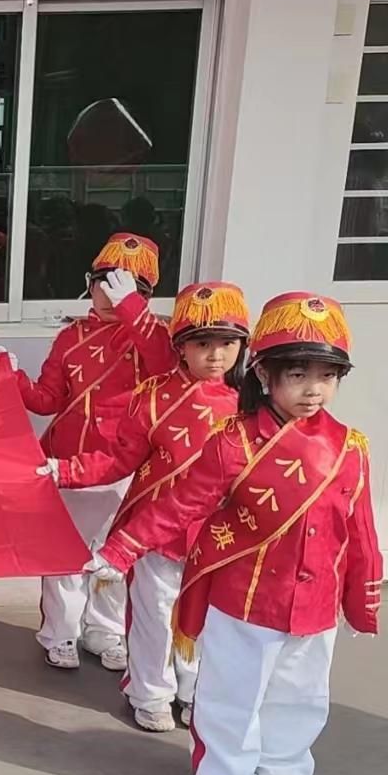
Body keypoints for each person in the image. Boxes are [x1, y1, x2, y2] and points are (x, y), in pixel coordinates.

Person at [92, 292, 382, 775]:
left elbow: (360, 530)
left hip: (315, 606)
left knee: (300, 703)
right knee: (232, 699)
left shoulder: (350, 448)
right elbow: (182, 503)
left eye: (326, 376)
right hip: (245, 598)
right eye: (297, 374)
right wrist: (121, 550)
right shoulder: (234, 441)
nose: (313, 389)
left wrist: (361, 599)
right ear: (265, 376)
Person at [43, 281, 250, 731]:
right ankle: (150, 692)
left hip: (218, 536)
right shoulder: (153, 396)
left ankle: (195, 691)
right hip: (155, 533)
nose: (216, 355)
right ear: (180, 346)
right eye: (202, 344)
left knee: (206, 620)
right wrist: (66, 470)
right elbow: (119, 460)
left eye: (227, 344)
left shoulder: (249, 407)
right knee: (155, 616)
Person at [4, 232, 174, 672]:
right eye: (104, 282)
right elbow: (47, 399)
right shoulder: (71, 337)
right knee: (65, 553)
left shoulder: (155, 337)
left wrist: (132, 311)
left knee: (114, 557)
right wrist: (13, 378)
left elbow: (166, 369)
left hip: (127, 465)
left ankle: (106, 630)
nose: (111, 295)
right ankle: (60, 632)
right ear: (89, 283)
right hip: (70, 463)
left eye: (127, 287)